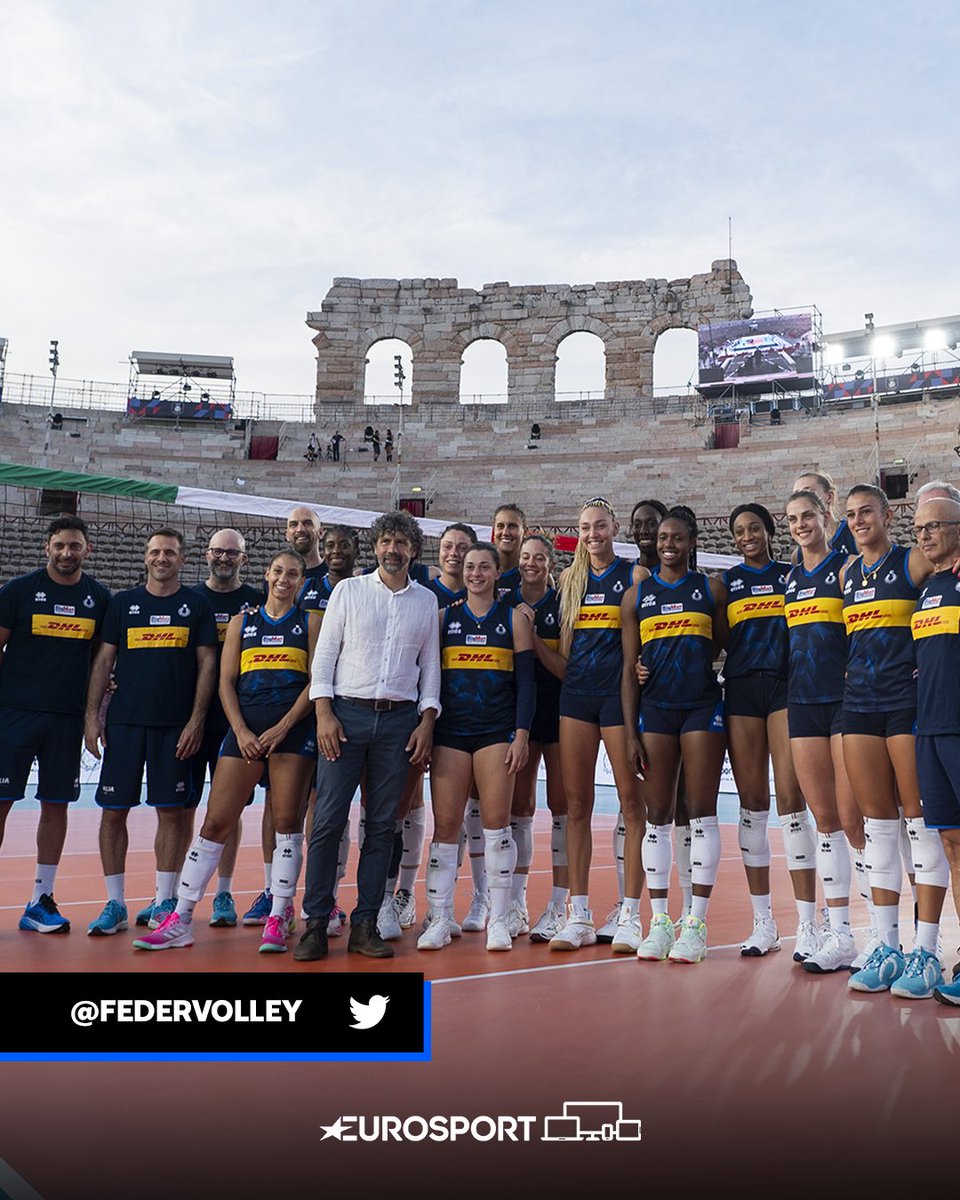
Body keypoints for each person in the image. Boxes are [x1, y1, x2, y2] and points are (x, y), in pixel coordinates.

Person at [133, 550, 320, 954]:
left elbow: (316, 681)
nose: (283, 579)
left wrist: (284, 726)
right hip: (245, 733)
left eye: (292, 574)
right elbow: (225, 682)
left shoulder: (309, 622)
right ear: (266, 574)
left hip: (290, 733)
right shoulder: (242, 622)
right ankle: (182, 918)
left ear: (302, 582)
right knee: (215, 822)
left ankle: (279, 914)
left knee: (287, 822)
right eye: (278, 571)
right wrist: (240, 729)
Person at [294, 510, 440, 961]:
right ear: (375, 547)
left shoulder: (426, 601)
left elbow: (430, 668)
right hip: (346, 716)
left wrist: (427, 720)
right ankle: (315, 924)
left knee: (382, 827)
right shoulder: (348, 591)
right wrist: (323, 714)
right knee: (327, 823)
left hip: (398, 723)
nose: (393, 550)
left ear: (413, 550)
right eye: (386, 542)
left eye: (401, 542)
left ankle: (365, 924)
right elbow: (324, 658)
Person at [84, 529, 218, 935]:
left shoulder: (196, 605)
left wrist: (196, 720)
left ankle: (164, 901)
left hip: (174, 726)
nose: (162, 558)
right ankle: (115, 903)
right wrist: (92, 717)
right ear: (145, 557)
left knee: (171, 813)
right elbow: (103, 662)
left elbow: (207, 665)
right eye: (156, 552)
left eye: (170, 552)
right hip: (125, 724)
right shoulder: (123, 603)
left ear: (182, 559)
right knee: (113, 812)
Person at [841, 484, 946, 995]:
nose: (859, 521)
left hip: (906, 705)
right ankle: (887, 947)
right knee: (878, 829)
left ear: (887, 515)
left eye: (867, 512)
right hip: (858, 705)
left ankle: (927, 951)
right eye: (851, 515)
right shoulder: (846, 574)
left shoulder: (912, 562)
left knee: (921, 826)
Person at [135, 529, 262, 931]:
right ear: (206, 556)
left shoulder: (257, 602)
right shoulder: (188, 599)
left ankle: (223, 892)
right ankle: (167, 895)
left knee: (229, 810)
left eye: (232, 553)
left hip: (237, 721)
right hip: (188, 718)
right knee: (179, 808)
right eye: (217, 551)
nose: (224, 558)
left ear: (244, 559)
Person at [418, 541, 535, 951]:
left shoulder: (513, 619)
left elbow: (526, 683)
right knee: (446, 827)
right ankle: (440, 917)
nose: (476, 573)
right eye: (470, 566)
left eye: (485, 567)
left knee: (497, 825)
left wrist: (522, 734)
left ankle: (499, 918)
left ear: (498, 573)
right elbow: (428, 677)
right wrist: (426, 728)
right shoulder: (443, 618)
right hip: (451, 732)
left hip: (495, 732)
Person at [623, 507, 727, 965]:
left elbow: (723, 643)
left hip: (701, 707)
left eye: (677, 537)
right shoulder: (637, 595)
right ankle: (661, 921)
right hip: (656, 712)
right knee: (658, 816)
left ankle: (696, 924)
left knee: (701, 814)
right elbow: (629, 668)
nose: (668, 544)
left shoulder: (711, 589)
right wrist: (631, 731)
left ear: (691, 541)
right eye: (663, 536)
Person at [0, 516, 111, 932]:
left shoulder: (98, 598)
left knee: (56, 804)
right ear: (46, 547)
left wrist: (94, 714)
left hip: (66, 718)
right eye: (60, 545)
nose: (67, 553)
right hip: (13, 713)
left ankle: (40, 900)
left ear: (88, 550)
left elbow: (101, 662)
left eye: (75, 546)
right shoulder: (18, 591)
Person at [549, 498, 647, 954]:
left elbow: (645, 641)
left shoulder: (634, 575)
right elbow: (566, 654)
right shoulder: (569, 580)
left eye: (600, 526)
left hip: (617, 699)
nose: (593, 534)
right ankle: (579, 914)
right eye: (586, 527)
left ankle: (631, 914)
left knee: (631, 803)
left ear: (614, 528)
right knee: (576, 807)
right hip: (576, 699)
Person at [721, 504, 817, 957]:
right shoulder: (725, 584)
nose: (747, 536)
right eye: (740, 531)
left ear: (769, 531)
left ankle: (808, 923)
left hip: (784, 687)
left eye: (754, 528)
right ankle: (764, 922)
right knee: (752, 805)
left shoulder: (790, 576)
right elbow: (712, 639)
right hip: (742, 691)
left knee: (791, 802)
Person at [781, 488, 861, 972]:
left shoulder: (847, 568)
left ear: (825, 516)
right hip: (803, 704)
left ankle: (882, 935)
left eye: (807, 516)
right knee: (825, 822)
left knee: (855, 820)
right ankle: (841, 934)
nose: (800, 525)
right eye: (793, 519)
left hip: (845, 703)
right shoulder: (790, 580)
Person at [242, 505, 327, 927]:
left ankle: (319, 895)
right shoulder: (258, 607)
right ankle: (271, 891)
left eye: (307, 523)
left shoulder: (336, 580)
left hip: (317, 714)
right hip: (264, 714)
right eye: (293, 524)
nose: (300, 529)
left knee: (316, 806)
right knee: (275, 805)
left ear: (319, 531)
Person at [908, 497, 960, 1003]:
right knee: (952, 845)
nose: (924, 536)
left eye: (934, 526)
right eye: (919, 528)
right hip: (929, 729)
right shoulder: (926, 589)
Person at [507, 533, 570, 942]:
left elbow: (565, 669)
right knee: (520, 805)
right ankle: (516, 903)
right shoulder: (505, 600)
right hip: (520, 714)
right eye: (525, 556)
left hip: (560, 712)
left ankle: (559, 904)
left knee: (562, 806)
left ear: (550, 563)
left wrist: (529, 637)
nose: (530, 563)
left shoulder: (563, 604)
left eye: (538, 557)